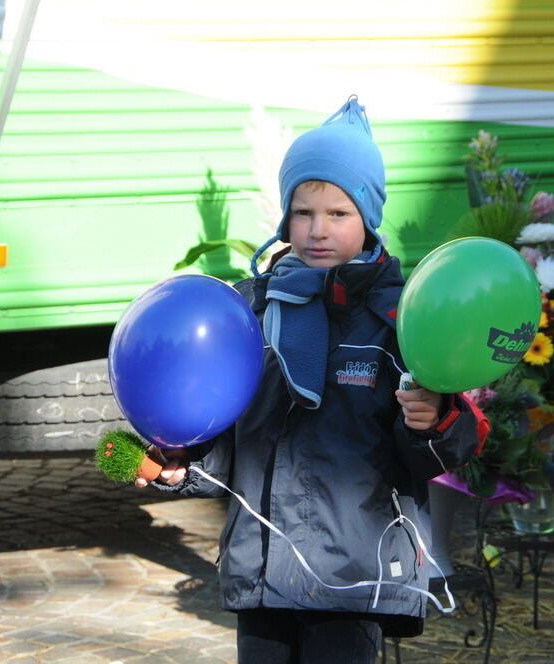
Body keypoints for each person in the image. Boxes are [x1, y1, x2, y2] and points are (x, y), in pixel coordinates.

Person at [136, 95, 487, 664]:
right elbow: (227, 441)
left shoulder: (403, 318)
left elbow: (443, 449)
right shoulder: (249, 314)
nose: (317, 230)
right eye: (302, 212)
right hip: (263, 567)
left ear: (368, 218)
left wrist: (436, 419)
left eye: (338, 213)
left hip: (353, 572)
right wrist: (177, 464)